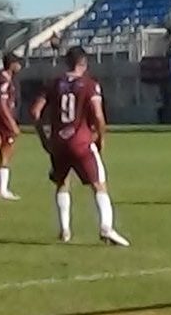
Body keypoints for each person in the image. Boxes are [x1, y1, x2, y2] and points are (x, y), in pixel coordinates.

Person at [28, 47, 128, 245]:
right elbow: (98, 116)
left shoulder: (53, 83)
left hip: (58, 142)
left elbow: (34, 112)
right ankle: (106, 227)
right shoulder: (90, 84)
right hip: (80, 141)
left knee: (62, 183)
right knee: (99, 184)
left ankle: (65, 230)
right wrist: (101, 138)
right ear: (83, 62)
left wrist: (44, 138)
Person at [0, 52, 25, 200]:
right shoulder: (4, 80)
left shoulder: (3, 79)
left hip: (0, 119)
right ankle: (2, 189)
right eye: (18, 63)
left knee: (5, 151)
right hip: (3, 121)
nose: (20, 66)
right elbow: (2, 104)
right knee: (6, 152)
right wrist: (11, 122)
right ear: (12, 64)